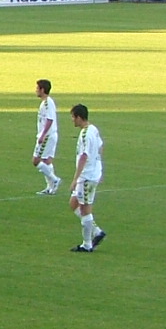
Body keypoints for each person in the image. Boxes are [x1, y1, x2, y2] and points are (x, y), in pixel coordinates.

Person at [68, 103, 106, 253]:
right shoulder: (93, 129)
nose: (72, 120)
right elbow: (100, 147)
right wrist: (99, 168)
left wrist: (75, 179)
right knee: (73, 203)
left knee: (85, 209)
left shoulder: (85, 135)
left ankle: (87, 244)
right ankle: (97, 232)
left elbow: (84, 156)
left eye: (73, 117)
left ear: (79, 117)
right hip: (93, 173)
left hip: (87, 177)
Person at [32, 79, 61, 195]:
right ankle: (50, 188)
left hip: (47, 136)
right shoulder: (46, 102)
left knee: (36, 161)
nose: (35, 91)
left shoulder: (48, 103)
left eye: (37, 88)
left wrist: (43, 135)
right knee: (47, 161)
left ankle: (55, 180)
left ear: (42, 90)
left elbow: (50, 119)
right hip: (51, 135)